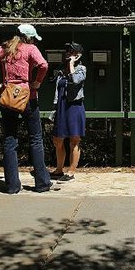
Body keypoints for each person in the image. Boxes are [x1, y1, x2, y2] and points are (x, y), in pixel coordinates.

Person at [0, 24, 56, 193]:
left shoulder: (4, 49)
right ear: (28, 37)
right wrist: (37, 82)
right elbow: (43, 65)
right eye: (33, 37)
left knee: (9, 140)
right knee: (35, 139)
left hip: (8, 97)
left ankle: (12, 186)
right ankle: (42, 183)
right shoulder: (31, 49)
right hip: (28, 97)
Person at [50, 42, 87, 181]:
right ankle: (59, 169)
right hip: (61, 107)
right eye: (67, 51)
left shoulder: (81, 69)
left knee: (74, 140)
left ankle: (71, 171)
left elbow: (76, 80)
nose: (68, 53)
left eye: (71, 51)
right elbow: (56, 91)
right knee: (58, 140)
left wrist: (72, 64)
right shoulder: (61, 70)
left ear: (78, 55)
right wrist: (54, 109)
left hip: (74, 107)